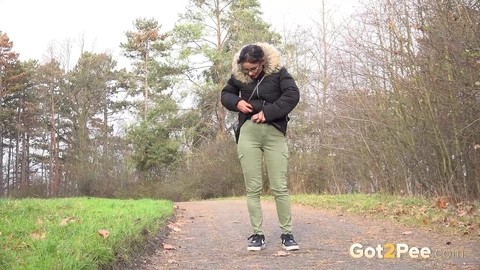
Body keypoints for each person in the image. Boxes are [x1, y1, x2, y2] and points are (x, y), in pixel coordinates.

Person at [220, 43, 300, 251]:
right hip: (248, 133)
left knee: (279, 186)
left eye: (253, 68)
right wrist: (236, 102)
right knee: (253, 187)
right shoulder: (239, 75)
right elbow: (226, 95)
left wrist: (269, 112)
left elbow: (292, 95)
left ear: (262, 62)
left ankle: (287, 234)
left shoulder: (279, 73)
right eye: (247, 69)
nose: (250, 73)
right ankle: (257, 234)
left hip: (274, 132)